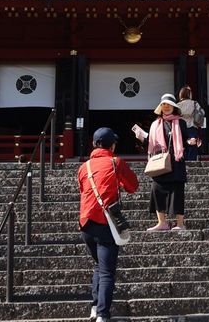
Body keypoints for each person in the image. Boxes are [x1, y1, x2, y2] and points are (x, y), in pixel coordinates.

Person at [76, 127, 139, 322]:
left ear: (94, 144)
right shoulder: (115, 162)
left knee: (98, 265)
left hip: (86, 223)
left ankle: (95, 307)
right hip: (105, 223)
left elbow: (82, 189)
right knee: (106, 272)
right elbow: (133, 186)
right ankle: (103, 314)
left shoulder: (84, 167)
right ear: (112, 145)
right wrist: (118, 183)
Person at [143, 93, 200, 233]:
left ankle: (180, 223)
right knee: (157, 189)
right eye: (163, 105)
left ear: (174, 107)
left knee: (178, 192)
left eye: (169, 105)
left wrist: (191, 141)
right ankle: (162, 222)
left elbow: (186, 138)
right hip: (160, 161)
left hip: (176, 161)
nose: (166, 107)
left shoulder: (180, 122)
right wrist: (142, 138)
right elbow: (151, 143)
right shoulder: (155, 124)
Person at [176, 85, 205, 162]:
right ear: (189, 94)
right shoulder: (194, 103)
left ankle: (183, 162)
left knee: (182, 145)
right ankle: (192, 163)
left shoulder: (177, 105)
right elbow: (202, 113)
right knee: (192, 146)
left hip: (180, 128)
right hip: (192, 127)